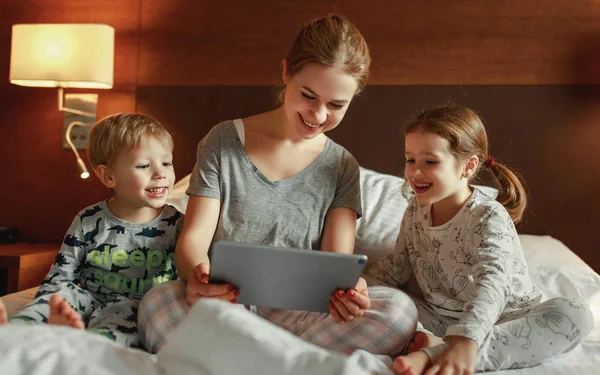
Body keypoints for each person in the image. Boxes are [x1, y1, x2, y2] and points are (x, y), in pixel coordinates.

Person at [138, 13, 418, 355]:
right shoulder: (223, 141)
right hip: (225, 305)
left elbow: (336, 262)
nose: (317, 115)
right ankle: (288, 359)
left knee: (399, 312)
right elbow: (194, 239)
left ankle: (247, 358)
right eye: (309, 95)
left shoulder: (342, 166)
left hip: (303, 315)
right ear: (287, 72)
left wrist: (349, 293)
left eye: (336, 105)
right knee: (157, 304)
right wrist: (197, 277)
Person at [364, 105, 594, 375]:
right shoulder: (416, 210)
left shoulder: (487, 215)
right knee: (382, 298)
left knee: (575, 313)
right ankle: (441, 346)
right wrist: (357, 285)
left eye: (430, 161)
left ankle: (441, 355)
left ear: (469, 166)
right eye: (410, 159)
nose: (415, 172)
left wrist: (467, 338)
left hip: (503, 319)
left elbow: (492, 281)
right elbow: (395, 268)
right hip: (437, 320)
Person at [0, 113, 184, 348]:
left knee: (118, 324)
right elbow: (61, 275)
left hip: (133, 305)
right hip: (86, 297)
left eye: (166, 162)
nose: (160, 174)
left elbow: (183, 282)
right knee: (59, 295)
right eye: (144, 166)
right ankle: (15, 333)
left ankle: (82, 347)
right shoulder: (89, 219)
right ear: (108, 176)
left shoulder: (178, 225)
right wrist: (54, 302)